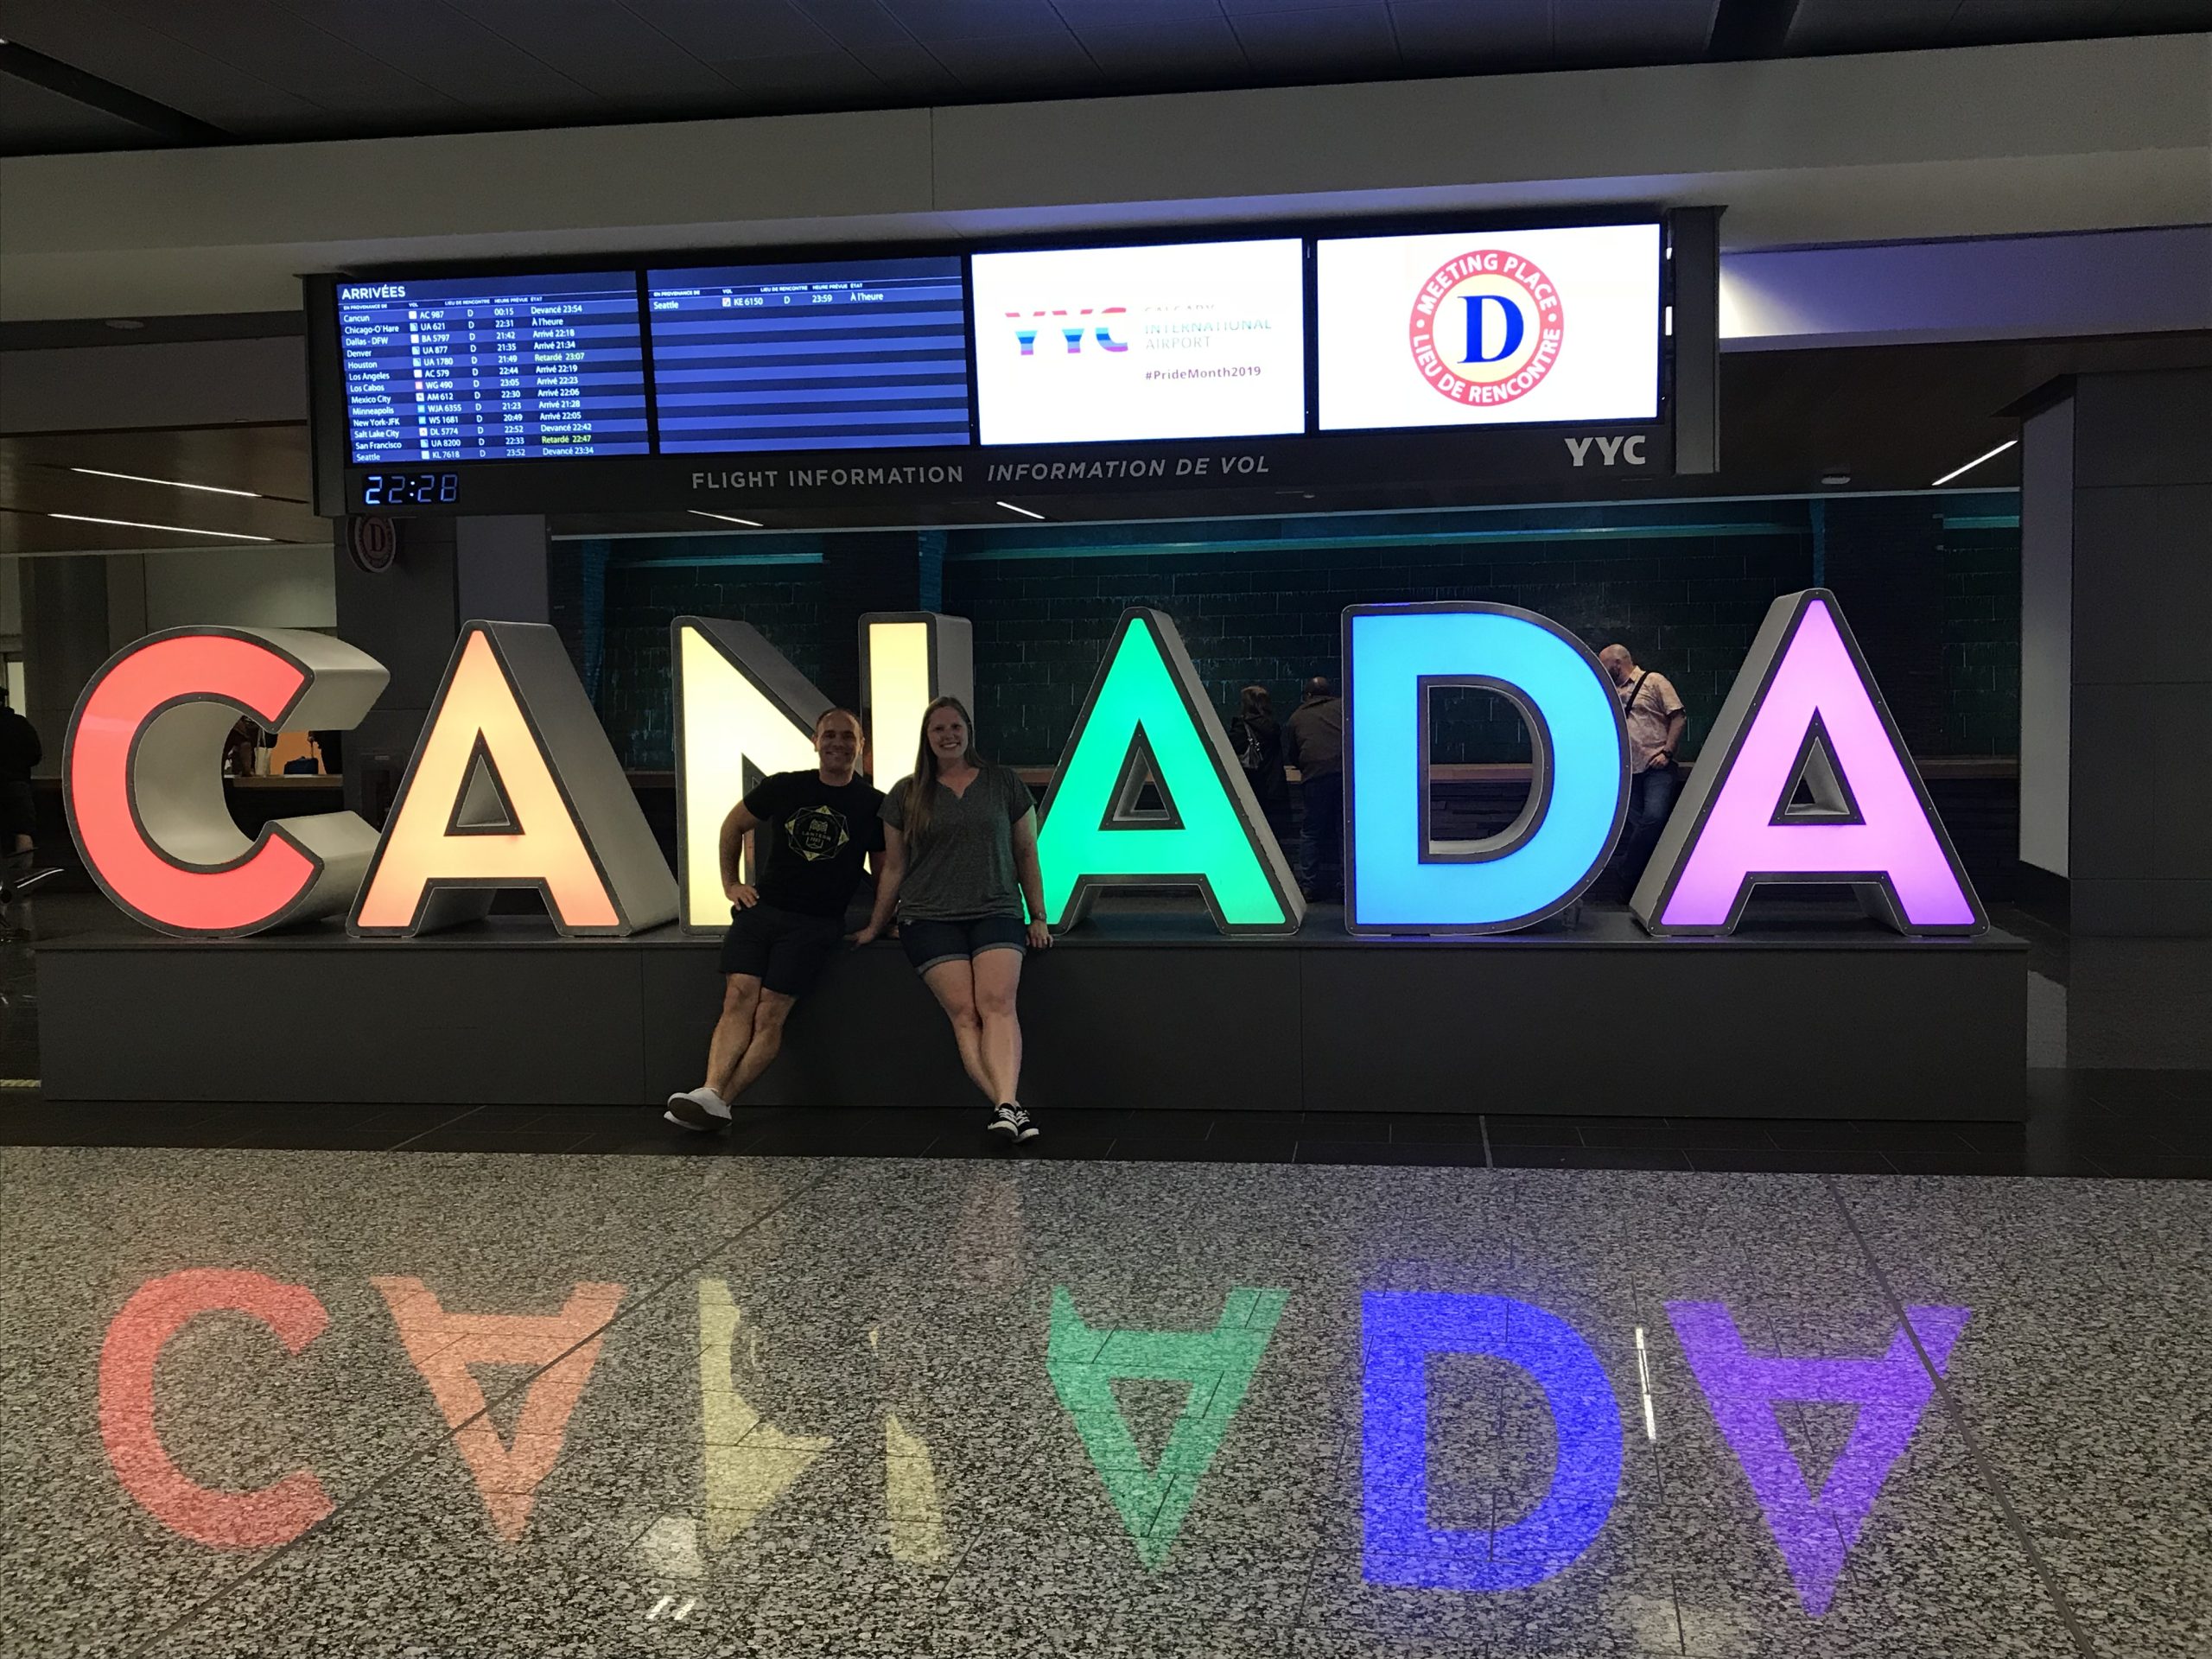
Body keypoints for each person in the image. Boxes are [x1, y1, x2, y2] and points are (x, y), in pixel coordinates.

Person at [665, 708, 883, 1132]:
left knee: (770, 1014)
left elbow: (886, 867)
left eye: (848, 737)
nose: (838, 743)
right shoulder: (785, 786)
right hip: (761, 912)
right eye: (830, 735)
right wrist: (731, 885)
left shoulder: (872, 804)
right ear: (815, 741)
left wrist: (879, 922)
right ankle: (710, 1094)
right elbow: (732, 826)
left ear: (861, 746)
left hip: (815, 923)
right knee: (737, 997)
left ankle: (717, 1100)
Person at [855, 696, 1052, 1142]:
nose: (948, 735)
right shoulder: (905, 794)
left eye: (955, 726)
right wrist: (875, 924)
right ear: (927, 739)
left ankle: (1005, 1108)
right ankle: (1010, 1107)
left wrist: (1038, 916)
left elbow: (1026, 853)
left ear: (968, 730)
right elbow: (894, 868)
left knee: (998, 1005)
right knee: (965, 1014)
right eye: (938, 729)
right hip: (928, 918)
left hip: (996, 910)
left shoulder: (1004, 784)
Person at [1599, 643, 1688, 895]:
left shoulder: (1654, 681)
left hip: (1656, 765)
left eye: (1605, 664)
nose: (1602, 671)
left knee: (1654, 818)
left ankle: (1625, 873)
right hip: (1628, 770)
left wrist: (1667, 752)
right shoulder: (1610, 692)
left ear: (1617, 663)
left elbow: (1678, 716)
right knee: (1638, 827)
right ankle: (1643, 888)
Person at [1284, 676, 1344, 902]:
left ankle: (1309, 886)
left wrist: (1308, 767)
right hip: (1343, 775)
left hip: (1315, 779)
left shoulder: (1297, 717)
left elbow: (1293, 754)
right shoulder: (1343, 709)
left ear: (1307, 696)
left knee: (1311, 832)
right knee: (1345, 830)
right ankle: (1347, 886)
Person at [0, 689, 54, 931]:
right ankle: (23, 891)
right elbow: (35, 755)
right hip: (18, 788)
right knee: (23, 838)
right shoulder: (20, 725)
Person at [1227, 684, 1292, 852]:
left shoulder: (1241, 728)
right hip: (1274, 789)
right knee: (1274, 841)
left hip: (1251, 787)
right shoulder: (1274, 727)